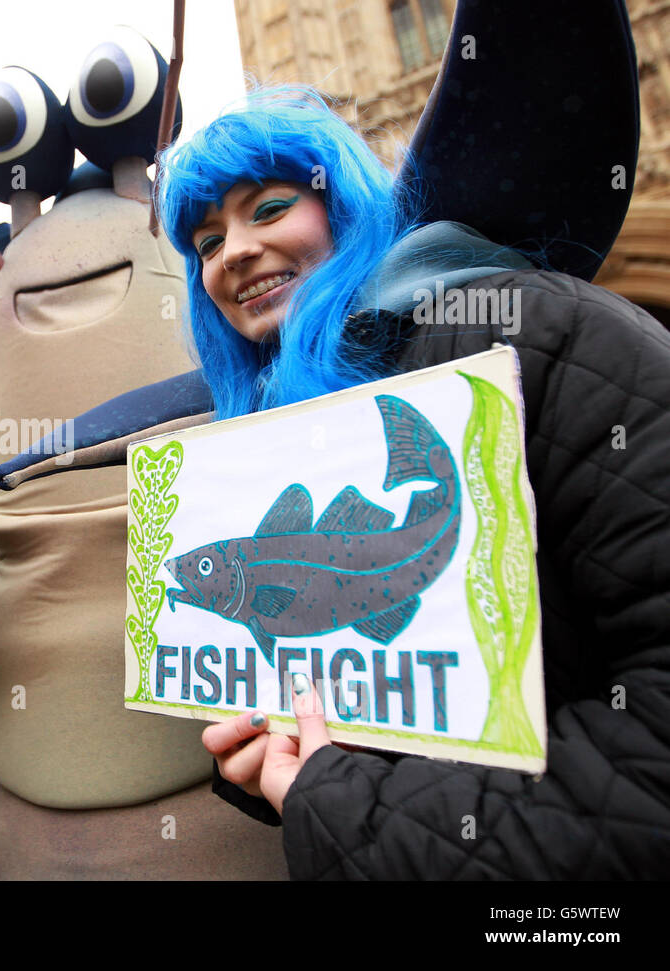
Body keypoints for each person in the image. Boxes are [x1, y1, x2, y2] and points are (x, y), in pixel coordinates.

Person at [154, 86, 670, 879]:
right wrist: (295, 766)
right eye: (206, 242)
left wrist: (343, 807)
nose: (232, 252)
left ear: (343, 199)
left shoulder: (531, 331)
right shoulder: (267, 446)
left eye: (268, 209)